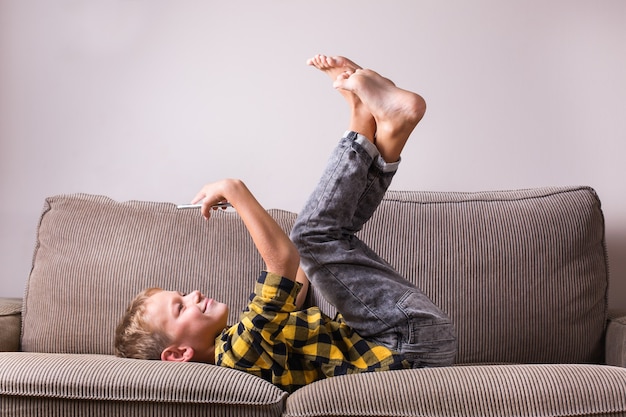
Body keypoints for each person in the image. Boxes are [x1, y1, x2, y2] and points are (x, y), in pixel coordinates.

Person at [115, 54, 456, 392]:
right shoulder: (237, 354)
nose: (194, 295)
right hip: (407, 346)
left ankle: (373, 122)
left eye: (183, 294)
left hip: (406, 341)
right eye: (180, 307)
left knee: (319, 239)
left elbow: (295, 282)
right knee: (310, 237)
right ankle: (371, 122)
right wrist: (235, 191)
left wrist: (312, 247)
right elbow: (284, 259)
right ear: (178, 353)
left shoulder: (246, 339)